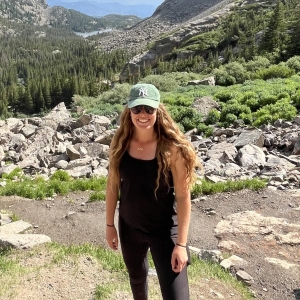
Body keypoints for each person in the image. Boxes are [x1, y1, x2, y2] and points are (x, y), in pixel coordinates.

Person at [105, 83, 200, 300]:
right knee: (137, 281)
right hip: (130, 228)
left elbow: (184, 198)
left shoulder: (173, 148)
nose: (143, 114)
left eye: (149, 109)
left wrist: (182, 245)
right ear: (129, 111)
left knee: (177, 296)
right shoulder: (120, 143)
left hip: (165, 232)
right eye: (137, 109)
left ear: (158, 110)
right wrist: (110, 225)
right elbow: (112, 187)